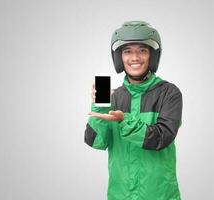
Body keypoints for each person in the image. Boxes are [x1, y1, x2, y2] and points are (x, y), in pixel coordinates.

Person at [84, 20, 183, 200]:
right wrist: (99, 107)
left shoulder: (169, 93)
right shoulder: (113, 98)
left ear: (152, 56)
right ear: (119, 58)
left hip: (160, 196)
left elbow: (162, 137)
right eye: (127, 51)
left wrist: (124, 121)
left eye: (142, 50)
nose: (134, 58)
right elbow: (96, 142)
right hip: (120, 195)